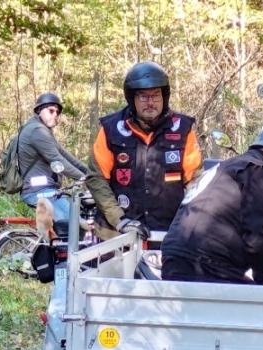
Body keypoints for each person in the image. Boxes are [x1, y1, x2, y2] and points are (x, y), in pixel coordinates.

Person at [161, 127, 263, 285]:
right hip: (208, 264)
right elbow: (259, 240)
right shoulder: (262, 172)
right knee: (261, 308)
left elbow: (260, 252)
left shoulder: (228, 167)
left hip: (173, 259)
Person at [86, 62, 203, 239]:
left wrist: (193, 219)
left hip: (168, 232)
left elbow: (195, 180)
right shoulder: (110, 129)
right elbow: (97, 179)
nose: (150, 103)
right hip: (116, 233)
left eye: (155, 96)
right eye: (142, 96)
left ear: (164, 96)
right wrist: (120, 220)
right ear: (132, 98)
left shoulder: (182, 129)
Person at [18, 92, 88, 210]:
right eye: (51, 110)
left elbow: (66, 156)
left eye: (57, 112)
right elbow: (58, 160)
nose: (55, 114)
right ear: (39, 110)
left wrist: (91, 173)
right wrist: (84, 178)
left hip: (46, 190)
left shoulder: (44, 130)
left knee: (82, 214)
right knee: (72, 224)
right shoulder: (36, 131)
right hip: (39, 191)